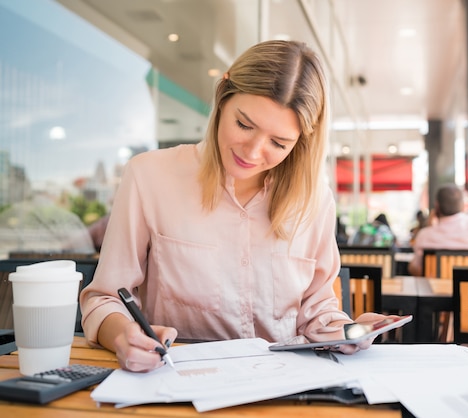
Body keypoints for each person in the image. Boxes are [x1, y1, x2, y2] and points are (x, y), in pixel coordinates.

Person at [80, 40, 394, 373]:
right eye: (244, 124)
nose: (253, 152)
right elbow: (105, 299)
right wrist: (122, 334)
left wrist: (347, 330)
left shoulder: (315, 199)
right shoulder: (149, 176)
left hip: (282, 388)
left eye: (278, 143)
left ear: (301, 142)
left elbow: (317, 310)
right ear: (223, 94)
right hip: (178, 384)